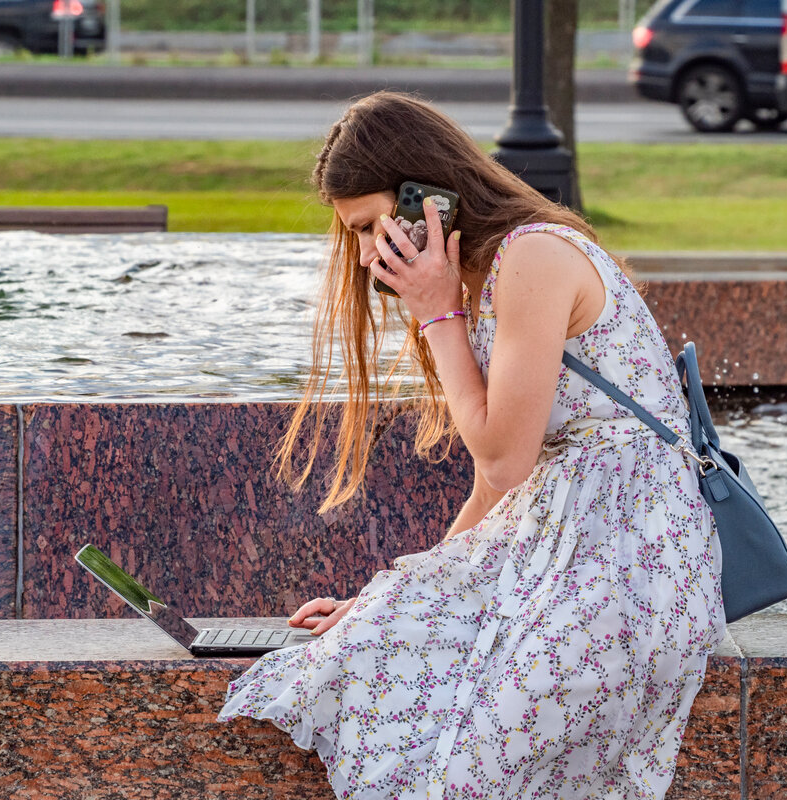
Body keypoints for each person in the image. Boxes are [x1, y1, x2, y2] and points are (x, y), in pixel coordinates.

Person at [219, 91, 726, 800]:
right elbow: (498, 485)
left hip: (628, 554)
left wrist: (439, 316)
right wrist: (396, 597)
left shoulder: (533, 259)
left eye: (370, 226)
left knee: (463, 771)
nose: (367, 256)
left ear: (428, 196)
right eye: (356, 236)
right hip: (563, 541)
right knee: (374, 662)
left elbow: (502, 459)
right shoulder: (486, 275)